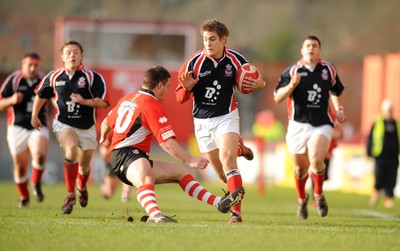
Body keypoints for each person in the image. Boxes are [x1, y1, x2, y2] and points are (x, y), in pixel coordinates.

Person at [100, 65, 244, 223]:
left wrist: (102, 139)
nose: (167, 90)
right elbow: (166, 143)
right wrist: (190, 159)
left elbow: (106, 123)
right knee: (146, 177)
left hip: (128, 155)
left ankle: (218, 202)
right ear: (159, 85)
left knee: (181, 173)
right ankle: (155, 215)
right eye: (167, 86)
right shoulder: (150, 104)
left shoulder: (127, 99)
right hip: (126, 155)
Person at [175, 19, 266, 223]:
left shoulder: (236, 60)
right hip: (202, 123)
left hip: (226, 117)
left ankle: (236, 214)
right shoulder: (193, 63)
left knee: (228, 161)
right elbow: (180, 98)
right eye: (206, 39)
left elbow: (255, 80)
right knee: (223, 176)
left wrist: (260, 83)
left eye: (213, 39)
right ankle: (240, 148)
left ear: (224, 39)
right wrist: (187, 88)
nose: (208, 43)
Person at [31, 40, 109, 214]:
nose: (72, 55)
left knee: (84, 167)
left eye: (75, 52)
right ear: (62, 57)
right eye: (68, 52)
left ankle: (81, 186)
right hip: (64, 123)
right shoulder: (54, 76)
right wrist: (34, 115)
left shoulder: (92, 77)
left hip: (87, 127)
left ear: (81, 56)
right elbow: (40, 95)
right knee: (71, 149)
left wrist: (84, 101)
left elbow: (103, 102)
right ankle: (69, 195)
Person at [274, 35, 346, 220]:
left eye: (314, 46)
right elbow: (278, 97)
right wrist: (291, 85)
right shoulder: (292, 71)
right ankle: (301, 200)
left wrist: (338, 108)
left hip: (322, 123)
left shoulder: (328, 70)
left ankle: (319, 194)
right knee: (300, 169)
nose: (311, 49)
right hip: (297, 125)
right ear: (302, 50)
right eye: (308, 46)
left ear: (320, 50)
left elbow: (335, 91)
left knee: (316, 158)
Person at [0, 52, 49, 208]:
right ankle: (24, 196)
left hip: (38, 125)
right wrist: (12, 100)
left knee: (40, 155)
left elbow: (55, 98)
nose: (33, 68)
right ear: (23, 64)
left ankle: (35, 182)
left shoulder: (44, 80)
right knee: (20, 167)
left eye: (36, 65)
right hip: (17, 127)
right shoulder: (13, 80)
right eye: (30, 65)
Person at [366, 99, 400, 208]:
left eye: (390, 110)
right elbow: (370, 138)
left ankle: (388, 198)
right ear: (383, 111)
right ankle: (376, 193)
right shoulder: (377, 122)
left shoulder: (396, 124)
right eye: (387, 110)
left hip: (393, 155)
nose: (388, 112)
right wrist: (369, 152)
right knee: (379, 175)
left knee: (392, 177)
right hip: (380, 155)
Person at [99, 130, 132, 202]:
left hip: (122, 158)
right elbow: (103, 150)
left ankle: (125, 193)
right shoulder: (110, 132)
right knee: (109, 192)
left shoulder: (128, 130)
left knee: (125, 175)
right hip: (111, 160)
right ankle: (106, 187)